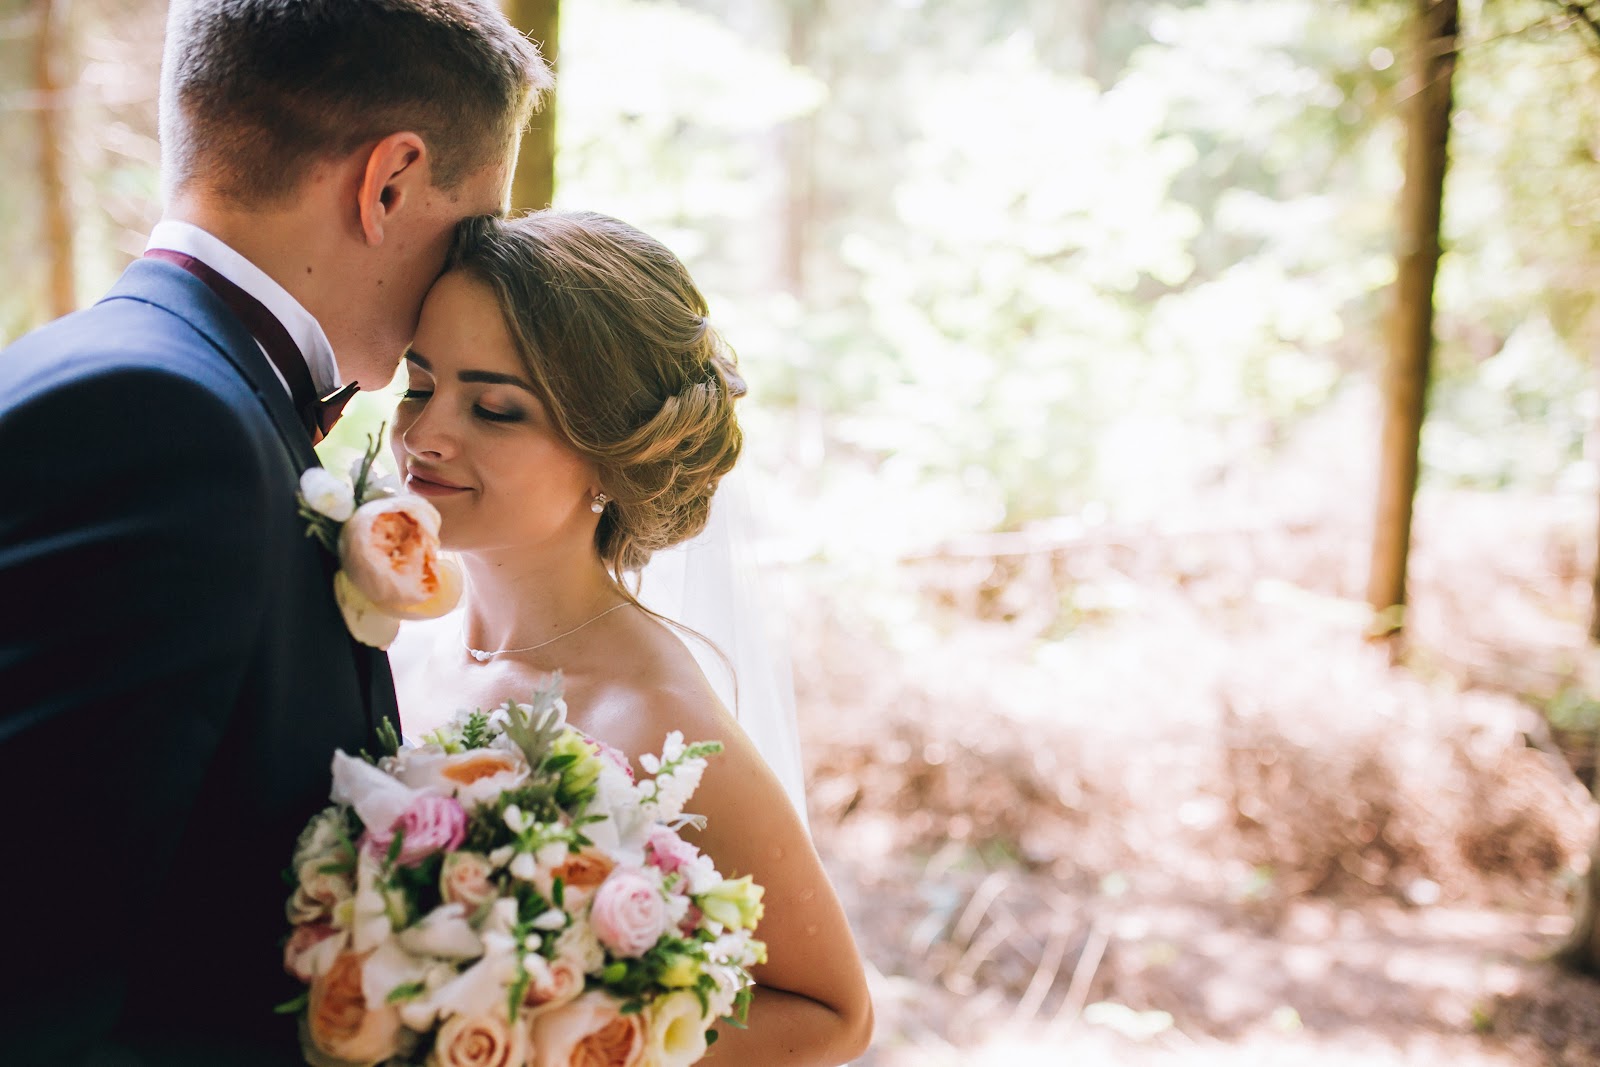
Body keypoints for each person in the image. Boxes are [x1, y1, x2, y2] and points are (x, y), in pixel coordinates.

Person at [0, 2, 550, 1062]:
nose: (471, 267)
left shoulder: (113, 370)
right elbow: (35, 953)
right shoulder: (166, 424)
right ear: (388, 182)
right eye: (475, 224)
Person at [389, 211, 875, 1065]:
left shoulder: (651, 713)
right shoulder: (386, 620)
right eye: (420, 385)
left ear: (609, 460)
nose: (425, 434)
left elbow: (834, 1012)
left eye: (495, 408)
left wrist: (558, 1040)